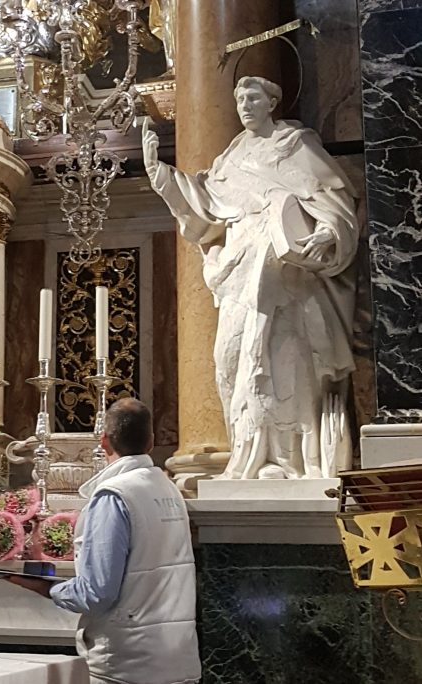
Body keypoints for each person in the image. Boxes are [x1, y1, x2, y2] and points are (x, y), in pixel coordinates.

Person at [141, 76, 359, 480]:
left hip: (287, 276)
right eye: (239, 97)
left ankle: (289, 460)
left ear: (272, 102)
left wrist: (328, 231)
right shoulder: (231, 158)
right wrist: (163, 177)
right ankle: (251, 452)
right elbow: (204, 203)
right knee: (233, 358)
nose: (244, 104)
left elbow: (337, 200)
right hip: (241, 270)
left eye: (253, 97)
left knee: (282, 360)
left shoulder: (295, 146)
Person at [7, 398, 200, 684]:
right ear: (151, 441)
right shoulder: (169, 490)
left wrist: (47, 588)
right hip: (177, 659)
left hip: (128, 664)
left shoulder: (114, 496)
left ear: (104, 442)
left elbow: (97, 593)